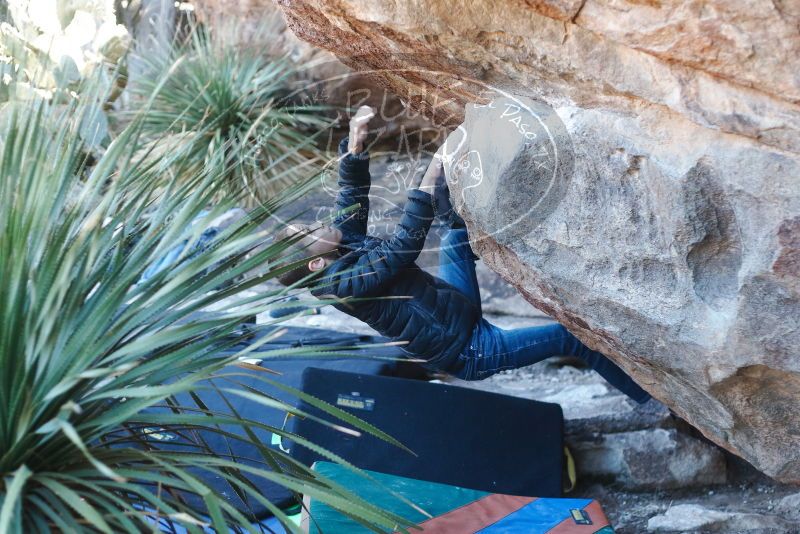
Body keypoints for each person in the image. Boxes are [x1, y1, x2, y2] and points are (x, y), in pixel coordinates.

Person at [276, 106, 650, 403]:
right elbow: (401, 251)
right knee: (572, 339)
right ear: (316, 263)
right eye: (310, 233)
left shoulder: (344, 244)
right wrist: (430, 176)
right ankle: (651, 401)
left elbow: (350, 200)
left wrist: (355, 145)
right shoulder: (345, 285)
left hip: (458, 309)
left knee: (457, 234)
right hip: (470, 351)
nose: (319, 223)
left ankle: (479, 182)